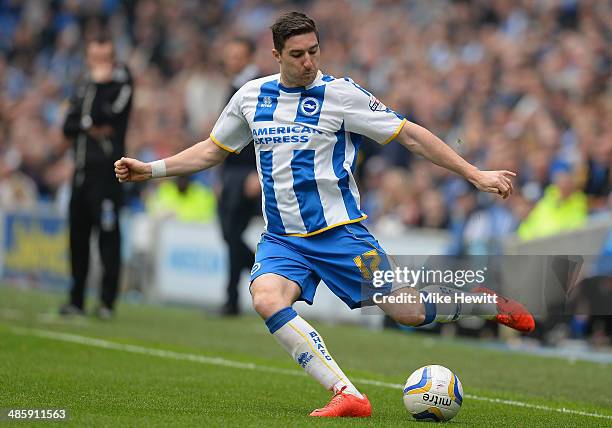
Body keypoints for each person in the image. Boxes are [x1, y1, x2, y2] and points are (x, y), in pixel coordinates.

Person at [115, 12, 534, 417]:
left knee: (408, 314)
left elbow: (409, 135)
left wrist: (474, 174)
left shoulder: (340, 94)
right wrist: (152, 170)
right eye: (298, 54)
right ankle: (347, 394)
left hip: (338, 234)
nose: (309, 62)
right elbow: (212, 150)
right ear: (277, 54)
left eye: (314, 51)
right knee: (265, 298)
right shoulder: (250, 97)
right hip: (282, 238)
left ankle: (482, 301)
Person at [60, 33, 133, 319]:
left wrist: (98, 94)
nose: (99, 64)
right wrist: (88, 123)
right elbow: (67, 125)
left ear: (112, 58)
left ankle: (106, 302)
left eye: (104, 58)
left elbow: (110, 116)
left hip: (108, 173)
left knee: (107, 236)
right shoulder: (82, 84)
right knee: (77, 238)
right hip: (80, 172)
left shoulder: (121, 82)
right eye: (94, 59)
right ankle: (76, 299)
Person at [218, 38, 262, 316]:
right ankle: (258, 276)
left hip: (247, 173)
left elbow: (263, 134)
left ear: (248, 57)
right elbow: (225, 137)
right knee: (229, 234)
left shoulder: (257, 87)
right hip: (231, 172)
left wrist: (257, 173)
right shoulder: (235, 86)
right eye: (229, 55)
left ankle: (235, 297)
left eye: (237, 56)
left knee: (233, 233)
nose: (231, 60)